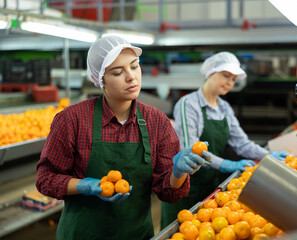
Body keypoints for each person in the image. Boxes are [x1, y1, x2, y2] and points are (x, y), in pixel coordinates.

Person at [35, 35, 207, 240]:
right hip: (82, 234)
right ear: (100, 79)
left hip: (136, 234)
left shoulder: (157, 121)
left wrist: (177, 173)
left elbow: (169, 194)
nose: (131, 77)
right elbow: (45, 179)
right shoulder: (72, 119)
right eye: (118, 72)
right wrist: (84, 186)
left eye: (134, 66)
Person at [160, 51, 289, 228]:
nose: (230, 82)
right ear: (210, 73)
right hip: (184, 187)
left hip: (210, 186)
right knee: (180, 231)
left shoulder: (224, 108)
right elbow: (191, 150)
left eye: (234, 78)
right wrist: (227, 164)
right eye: (226, 75)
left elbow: (241, 143)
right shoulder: (188, 104)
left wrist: (267, 156)